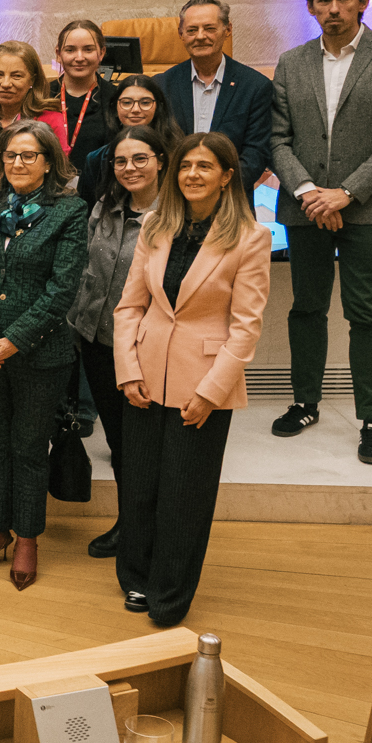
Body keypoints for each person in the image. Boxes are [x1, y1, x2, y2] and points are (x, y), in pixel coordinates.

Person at [114, 134, 270, 626]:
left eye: (205, 166)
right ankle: (136, 578)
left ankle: (170, 596)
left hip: (203, 384)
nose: (192, 175)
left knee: (184, 496)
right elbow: (129, 307)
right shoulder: (157, 227)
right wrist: (127, 371)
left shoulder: (250, 237)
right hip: (143, 375)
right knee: (138, 488)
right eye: (185, 166)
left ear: (227, 176)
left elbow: (246, 328)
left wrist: (210, 393)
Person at [269, 0, 372, 464]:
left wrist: (346, 194)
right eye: (324, 0)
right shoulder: (291, 63)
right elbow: (277, 140)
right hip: (305, 208)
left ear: (362, 4)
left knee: (367, 317)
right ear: (311, 7)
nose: (333, 8)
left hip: (369, 210)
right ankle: (304, 403)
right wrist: (313, 193)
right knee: (306, 309)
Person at [0, 121, 88, 591]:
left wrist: (13, 341)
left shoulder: (69, 211)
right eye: (10, 155)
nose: (18, 164)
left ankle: (26, 538)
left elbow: (62, 289)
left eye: (29, 155)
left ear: (48, 161)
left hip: (39, 355)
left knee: (28, 450)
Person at [66, 125, 167, 562]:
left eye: (140, 158)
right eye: (121, 161)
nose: (129, 168)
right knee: (121, 442)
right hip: (96, 339)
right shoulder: (106, 205)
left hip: (147, 347)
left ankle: (149, 529)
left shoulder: (177, 215)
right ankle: (130, 524)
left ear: (162, 160)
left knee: (144, 445)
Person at [159, 0, 273, 189]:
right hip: (175, 201)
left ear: (227, 30)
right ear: (181, 34)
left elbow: (256, 153)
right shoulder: (162, 85)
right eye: (192, 30)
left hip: (232, 202)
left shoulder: (255, 86)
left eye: (209, 28)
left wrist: (217, 189)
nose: (200, 36)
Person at [77, 75, 184, 203]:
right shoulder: (96, 159)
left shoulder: (178, 154)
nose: (135, 110)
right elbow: (87, 211)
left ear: (158, 107)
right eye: (127, 103)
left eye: (145, 103)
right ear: (114, 108)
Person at [0, 41, 66, 150]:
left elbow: (59, 166)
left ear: (32, 80)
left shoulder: (51, 121)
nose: (6, 83)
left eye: (16, 76)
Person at [52, 20, 111, 165]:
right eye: (70, 50)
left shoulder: (116, 99)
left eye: (88, 50)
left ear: (101, 53)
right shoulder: (41, 96)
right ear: (59, 54)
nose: (79, 58)